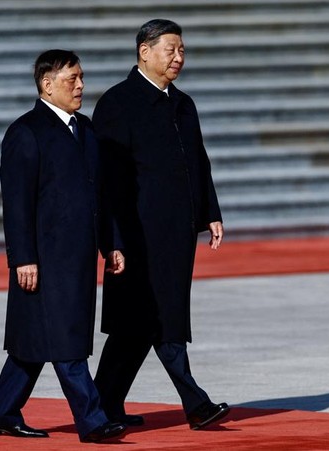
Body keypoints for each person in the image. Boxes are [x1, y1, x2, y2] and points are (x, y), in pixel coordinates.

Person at [0, 49, 127, 443]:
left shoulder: (86, 130)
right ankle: (93, 421)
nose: (81, 86)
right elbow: (16, 204)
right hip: (44, 260)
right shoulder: (26, 132)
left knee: (32, 345)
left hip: (78, 258)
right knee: (66, 343)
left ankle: (2, 412)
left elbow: (101, 196)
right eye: (71, 79)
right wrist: (23, 258)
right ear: (47, 85)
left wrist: (111, 244)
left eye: (81, 77)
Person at [92, 19, 230, 430]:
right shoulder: (118, 103)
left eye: (182, 50)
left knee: (134, 326)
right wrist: (112, 239)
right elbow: (108, 181)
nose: (178, 58)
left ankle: (101, 406)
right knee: (162, 318)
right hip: (137, 235)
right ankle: (196, 403)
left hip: (177, 233)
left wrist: (210, 211)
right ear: (144, 52)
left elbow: (198, 161)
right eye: (170, 50)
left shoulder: (183, 104)